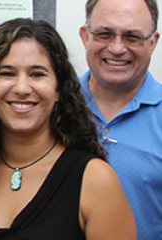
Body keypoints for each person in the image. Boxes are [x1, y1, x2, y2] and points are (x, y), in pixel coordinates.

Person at [0, 18, 136, 239]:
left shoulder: (94, 181)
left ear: (59, 89)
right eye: (7, 73)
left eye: (37, 74)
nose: (21, 88)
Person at [78, 0, 161, 238]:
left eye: (132, 37)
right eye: (104, 34)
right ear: (85, 36)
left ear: (153, 42)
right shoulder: (54, 106)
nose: (116, 48)